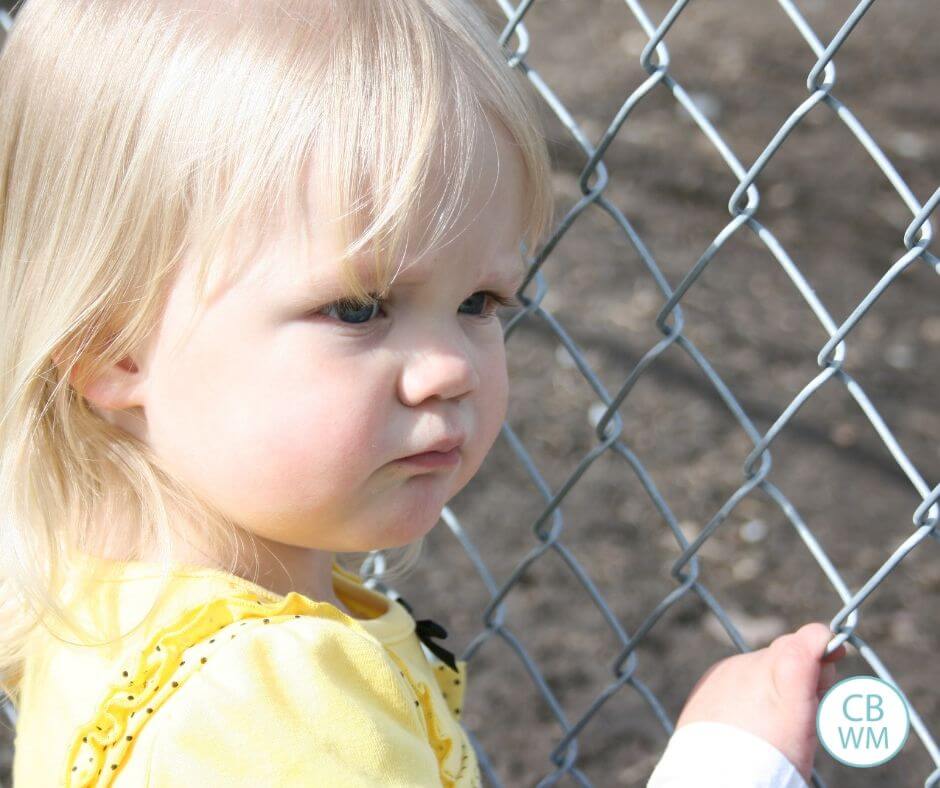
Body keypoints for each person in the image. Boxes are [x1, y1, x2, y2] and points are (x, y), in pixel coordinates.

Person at [0, 1, 846, 785]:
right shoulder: (269, 714)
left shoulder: (95, 600)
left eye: (480, 302)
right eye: (358, 307)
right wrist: (730, 765)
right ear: (113, 348)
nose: (452, 367)